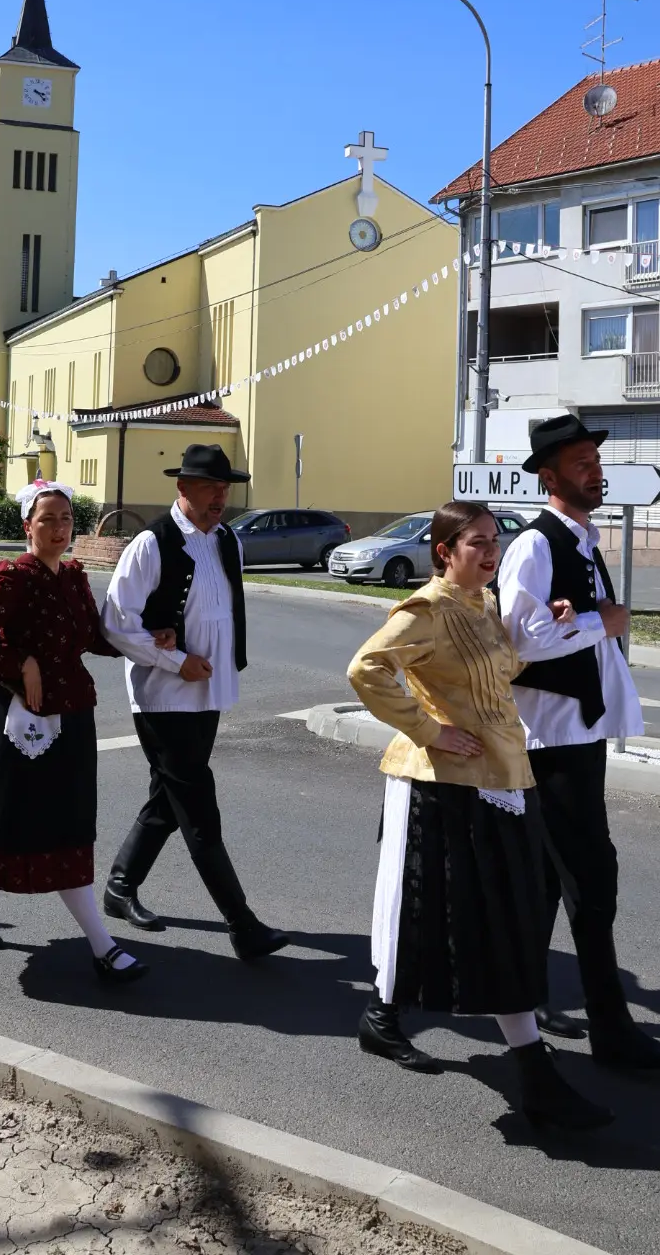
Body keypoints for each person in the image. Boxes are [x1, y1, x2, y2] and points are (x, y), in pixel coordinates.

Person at [348, 499, 612, 1130]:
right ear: (445, 551)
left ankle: (386, 1016)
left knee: (486, 919)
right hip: (445, 785)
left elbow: (501, 669)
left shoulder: (484, 605)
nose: (492, 552)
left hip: (504, 776)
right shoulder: (426, 610)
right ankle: (532, 1074)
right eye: (478, 543)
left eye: (496, 541)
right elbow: (366, 669)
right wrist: (429, 729)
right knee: (477, 919)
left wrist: (559, 622)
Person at [0, 479, 149, 985]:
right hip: (13, 718)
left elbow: (92, 637)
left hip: (70, 715)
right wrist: (21, 662)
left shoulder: (73, 576)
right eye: (47, 519)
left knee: (62, 824)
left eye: (66, 519)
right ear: (27, 526)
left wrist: (144, 638)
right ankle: (103, 947)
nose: (58, 528)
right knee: (16, 821)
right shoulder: (12, 577)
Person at [496, 414, 660, 1069]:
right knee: (592, 878)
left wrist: (591, 622)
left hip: (578, 732)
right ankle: (610, 1030)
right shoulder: (536, 545)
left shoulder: (582, 539)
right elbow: (519, 638)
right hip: (552, 737)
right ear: (550, 476)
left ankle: (524, 995)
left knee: (548, 879)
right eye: (582, 463)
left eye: (596, 460)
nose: (595, 471)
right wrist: (601, 621)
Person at [100, 443, 289, 961]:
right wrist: (175, 660)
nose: (219, 497)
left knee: (169, 797)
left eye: (224, 488)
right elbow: (117, 623)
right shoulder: (151, 543)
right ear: (183, 488)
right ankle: (242, 924)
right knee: (198, 806)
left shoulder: (228, 540)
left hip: (209, 692)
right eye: (210, 488)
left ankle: (119, 887)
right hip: (163, 696)